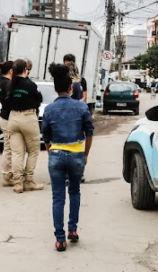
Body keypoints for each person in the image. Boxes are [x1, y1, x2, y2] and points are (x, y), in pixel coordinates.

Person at [42, 63, 94, 252]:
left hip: (56, 154)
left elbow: (46, 137)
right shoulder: (81, 107)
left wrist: (51, 153)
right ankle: (73, 230)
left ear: (56, 89)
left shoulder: (49, 110)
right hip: (76, 154)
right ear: (71, 88)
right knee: (74, 192)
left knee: (58, 198)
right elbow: (89, 132)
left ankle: (60, 239)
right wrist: (85, 154)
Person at [7, 59, 44, 194]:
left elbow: (7, 101)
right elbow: (39, 100)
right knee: (33, 151)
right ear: (25, 69)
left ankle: (17, 183)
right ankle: (28, 181)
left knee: (17, 153)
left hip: (13, 118)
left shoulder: (11, 84)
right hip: (28, 118)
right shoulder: (30, 85)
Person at [0, 61, 14, 187]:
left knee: (8, 146)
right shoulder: (8, 83)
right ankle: (7, 175)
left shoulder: (2, 82)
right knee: (9, 147)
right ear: (11, 71)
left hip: (4, 116)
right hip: (8, 117)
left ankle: (8, 174)